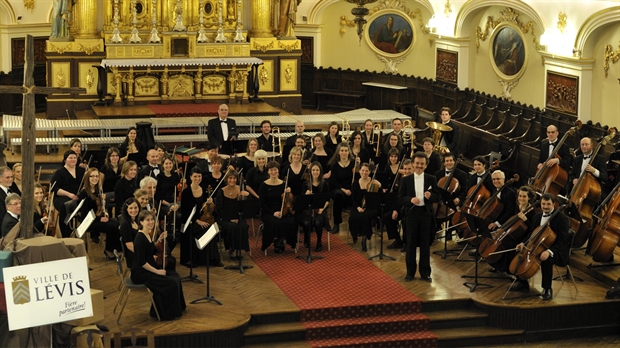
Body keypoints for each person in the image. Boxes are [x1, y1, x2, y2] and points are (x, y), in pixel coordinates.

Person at [511, 193, 569, 301]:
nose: (545, 207)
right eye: (543, 204)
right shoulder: (537, 217)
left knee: (547, 260)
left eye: (548, 204)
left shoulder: (562, 219)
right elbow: (532, 234)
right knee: (519, 253)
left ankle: (547, 288)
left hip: (556, 250)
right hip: (538, 246)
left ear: (554, 204)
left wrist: (549, 251)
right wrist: (524, 243)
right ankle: (522, 282)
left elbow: (562, 241)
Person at [131, 210, 186, 320]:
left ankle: (179, 308)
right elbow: (141, 262)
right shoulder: (140, 239)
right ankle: (164, 314)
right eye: (147, 220)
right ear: (141, 222)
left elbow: (149, 251)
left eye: (152, 219)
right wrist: (157, 272)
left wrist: (160, 240)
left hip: (148, 268)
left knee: (175, 277)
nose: (151, 222)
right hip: (140, 273)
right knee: (170, 283)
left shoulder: (147, 234)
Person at [398, 152, 440, 282]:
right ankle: (410, 273)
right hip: (411, 215)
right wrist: (410, 200)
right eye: (417, 163)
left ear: (426, 165)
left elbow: (438, 197)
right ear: (413, 164)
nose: (419, 166)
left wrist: (430, 197)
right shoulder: (405, 180)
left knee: (425, 245)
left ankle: (425, 273)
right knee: (410, 245)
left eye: (422, 164)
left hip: (426, 215)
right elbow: (399, 198)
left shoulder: (431, 179)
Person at [487, 186, 536, 274]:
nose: (521, 198)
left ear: (529, 198)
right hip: (515, 231)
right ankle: (499, 266)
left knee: (510, 244)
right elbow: (512, 219)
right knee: (503, 241)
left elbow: (532, 228)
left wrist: (525, 220)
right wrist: (503, 228)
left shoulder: (532, 211)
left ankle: (509, 270)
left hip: (525, 236)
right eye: (520, 196)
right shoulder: (518, 207)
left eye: (524, 196)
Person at [180, 167, 222, 267]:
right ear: (190, 177)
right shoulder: (186, 192)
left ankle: (212, 259)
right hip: (190, 221)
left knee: (210, 228)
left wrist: (211, 203)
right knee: (204, 228)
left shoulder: (204, 190)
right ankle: (194, 259)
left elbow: (208, 209)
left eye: (199, 176)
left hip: (203, 219)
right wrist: (197, 221)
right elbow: (185, 212)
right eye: (195, 176)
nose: (197, 179)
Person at [77, 168, 120, 258]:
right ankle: (108, 250)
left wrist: (104, 207)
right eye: (92, 176)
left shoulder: (97, 191)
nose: (95, 178)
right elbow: (85, 215)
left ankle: (115, 248)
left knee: (117, 223)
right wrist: (100, 219)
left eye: (96, 176)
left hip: (96, 218)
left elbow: (99, 208)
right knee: (112, 227)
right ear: (87, 178)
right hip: (88, 221)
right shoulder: (84, 193)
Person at [259, 161, 296, 253]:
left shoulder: (284, 184)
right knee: (274, 222)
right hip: (268, 212)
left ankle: (279, 241)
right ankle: (278, 242)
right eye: (271, 170)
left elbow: (288, 200)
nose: (273, 172)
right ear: (268, 172)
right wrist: (273, 213)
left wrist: (288, 192)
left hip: (282, 210)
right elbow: (262, 204)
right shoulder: (263, 186)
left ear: (278, 171)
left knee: (291, 221)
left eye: (275, 169)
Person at [215, 170, 250, 259]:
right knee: (231, 227)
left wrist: (247, 196)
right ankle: (232, 249)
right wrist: (229, 218)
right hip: (225, 218)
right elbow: (219, 209)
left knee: (243, 226)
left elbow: (246, 207)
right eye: (230, 178)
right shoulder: (221, 191)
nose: (232, 180)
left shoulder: (241, 189)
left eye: (234, 178)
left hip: (238, 216)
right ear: (227, 179)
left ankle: (239, 248)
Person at [51, 150, 86, 238]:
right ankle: (65, 234)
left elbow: (86, 184)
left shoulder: (82, 171)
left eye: (75, 158)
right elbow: (55, 188)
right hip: (62, 197)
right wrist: (69, 195)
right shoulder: (59, 172)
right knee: (66, 206)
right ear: (65, 160)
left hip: (78, 196)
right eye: (70, 158)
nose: (73, 159)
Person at [297, 161, 330, 252]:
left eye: (317, 170)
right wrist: (306, 195)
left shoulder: (325, 184)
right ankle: (306, 239)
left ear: (320, 171)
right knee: (307, 223)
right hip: (308, 210)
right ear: (310, 171)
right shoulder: (305, 184)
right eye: (313, 170)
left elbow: (327, 200)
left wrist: (322, 209)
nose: (315, 172)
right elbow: (302, 201)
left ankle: (319, 242)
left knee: (317, 222)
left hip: (320, 210)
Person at [350, 163, 382, 252]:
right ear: (359, 171)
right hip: (358, 207)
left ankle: (364, 240)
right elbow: (353, 200)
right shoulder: (355, 184)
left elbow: (380, 197)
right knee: (353, 217)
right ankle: (355, 235)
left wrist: (380, 186)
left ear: (370, 172)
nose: (364, 172)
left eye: (366, 171)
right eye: (362, 170)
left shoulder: (374, 183)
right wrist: (358, 208)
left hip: (371, 208)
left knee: (366, 217)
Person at [384, 159, 413, 250]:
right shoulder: (401, 181)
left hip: (412, 209)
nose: (407, 171)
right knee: (387, 217)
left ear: (413, 169)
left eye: (409, 169)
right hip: (402, 208)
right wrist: (395, 210)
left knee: (405, 221)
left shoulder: (416, 181)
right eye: (405, 169)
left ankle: (407, 243)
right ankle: (398, 240)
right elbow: (397, 197)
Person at [328, 143, 355, 234]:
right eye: (342, 150)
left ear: (349, 152)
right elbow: (333, 182)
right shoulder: (334, 165)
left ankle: (355, 225)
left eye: (346, 151)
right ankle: (336, 224)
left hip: (351, 189)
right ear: (338, 152)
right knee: (338, 195)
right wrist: (344, 190)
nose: (344, 152)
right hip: (338, 189)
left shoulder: (353, 164)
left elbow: (357, 178)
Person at [119, 198, 141, 269]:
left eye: (135, 207)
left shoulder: (138, 220)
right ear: (126, 209)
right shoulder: (125, 224)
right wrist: (143, 254)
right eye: (131, 208)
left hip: (140, 250)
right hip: (133, 255)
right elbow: (129, 245)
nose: (133, 210)